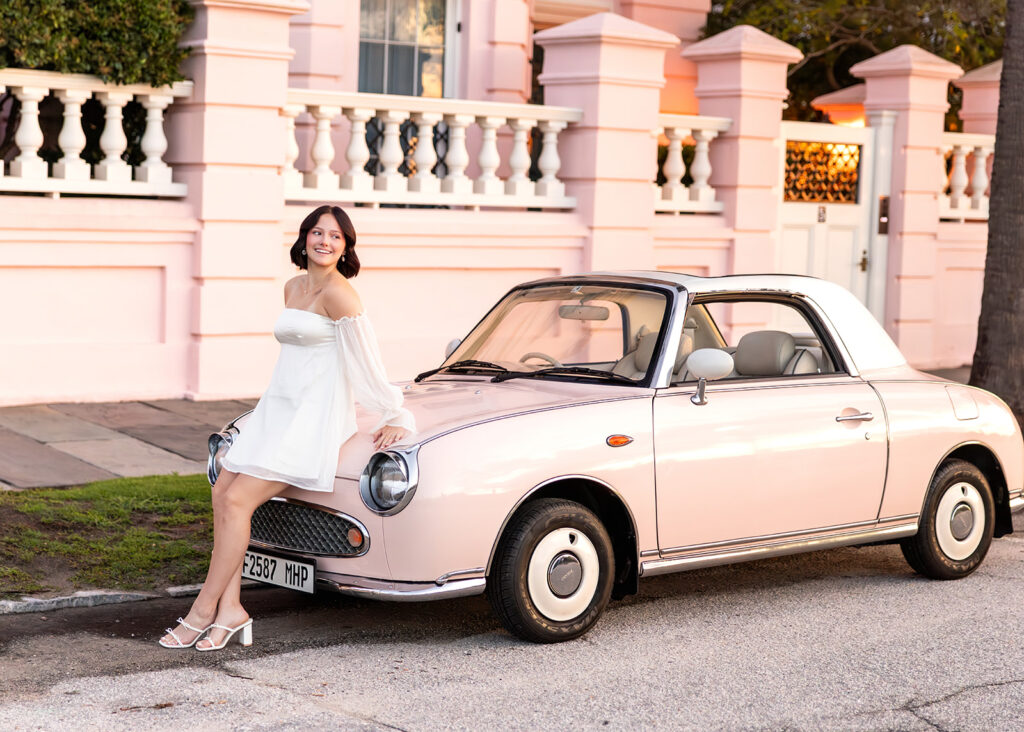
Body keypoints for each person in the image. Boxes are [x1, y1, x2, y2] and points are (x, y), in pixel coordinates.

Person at [158, 204, 415, 651]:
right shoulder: (293, 286)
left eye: (336, 236)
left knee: (238, 500)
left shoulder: (341, 295)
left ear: (346, 246)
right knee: (222, 494)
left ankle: (202, 609)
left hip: (313, 418)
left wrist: (394, 412)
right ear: (304, 238)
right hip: (278, 408)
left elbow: (366, 363)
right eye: (318, 232)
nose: (325, 242)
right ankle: (231, 610)